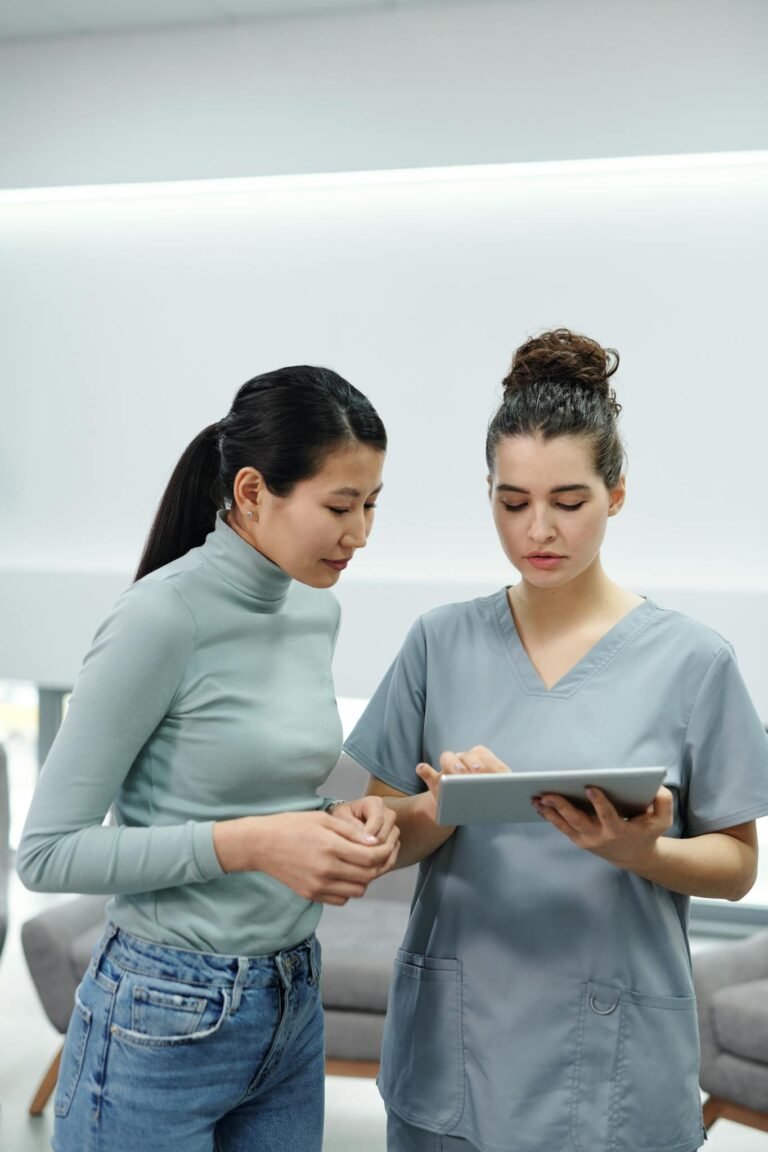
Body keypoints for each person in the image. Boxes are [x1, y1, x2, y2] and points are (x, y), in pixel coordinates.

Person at [343, 329, 768, 1152]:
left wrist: (640, 851)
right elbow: (381, 838)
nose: (538, 530)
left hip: (614, 1059)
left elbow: (739, 864)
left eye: (568, 502)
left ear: (617, 494)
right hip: (456, 1052)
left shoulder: (695, 661)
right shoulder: (439, 642)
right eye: (512, 503)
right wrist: (439, 809)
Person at [17, 364, 399, 1152]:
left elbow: (259, 788)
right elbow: (46, 855)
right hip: (161, 1009)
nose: (359, 533)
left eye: (370, 504)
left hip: (290, 1002)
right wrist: (255, 843)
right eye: (338, 506)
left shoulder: (313, 610)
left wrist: (340, 821)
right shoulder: (160, 618)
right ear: (254, 492)